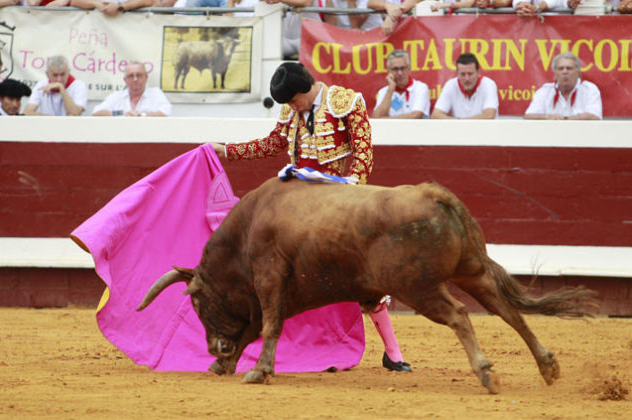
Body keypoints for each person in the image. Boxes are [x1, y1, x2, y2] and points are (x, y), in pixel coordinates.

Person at [211, 62, 412, 372]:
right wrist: (228, 151)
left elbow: (363, 153)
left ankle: (393, 352)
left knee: (363, 274)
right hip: (298, 205)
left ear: (305, 90)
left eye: (294, 101)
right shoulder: (292, 110)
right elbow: (273, 143)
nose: (292, 108)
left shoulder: (347, 103)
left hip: (337, 204)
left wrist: (351, 193)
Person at [524, 51, 602, 120]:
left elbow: (594, 116)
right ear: (555, 72)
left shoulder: (589, 90)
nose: (565, 72)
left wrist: (565, 119)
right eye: (561, 69)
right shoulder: (545, 91)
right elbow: (528, 116)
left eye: (569, 68)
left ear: (578, 72)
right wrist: (549, 117)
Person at [431, 52, 498, 119]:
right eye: (463, 74)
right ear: (457, 74)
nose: (467, 78)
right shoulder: (451, 85)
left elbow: (489, 116)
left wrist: (460, 122)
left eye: (470, 74)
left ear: (478, 72)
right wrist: (459, 122)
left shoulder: (488, 84)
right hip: (459, 128)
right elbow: (435, 115)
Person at [93, 61, 172, 117]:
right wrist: (122, 113)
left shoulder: (156, 93)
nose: (135, 79)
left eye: (139, 75)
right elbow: (96, 112)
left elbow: (166, 112)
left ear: (146, 77)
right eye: (131, 76)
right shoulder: (116, 96)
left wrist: (142, 115)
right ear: (125, 80)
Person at [373, 49, 429, 119]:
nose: (400, 73)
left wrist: (385, 119)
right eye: (395, 69)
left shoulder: (420, 87)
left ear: (409, 68)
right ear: (389, 71)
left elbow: (415, 116)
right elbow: (376, 118)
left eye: (403, 68)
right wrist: (390, 90)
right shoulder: (384, 91)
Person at [23, 55, 87, 116]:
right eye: (55, 75)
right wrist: (52, 119)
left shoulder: (78, 85)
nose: (59, 79)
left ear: (68, 72)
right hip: (47, 125)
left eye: (62, 74)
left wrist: (61, 88)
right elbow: (27, 113)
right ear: (47, 74)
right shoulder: (41, 85)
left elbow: (75, 113)